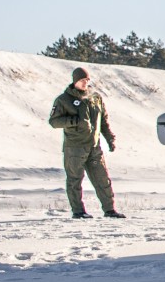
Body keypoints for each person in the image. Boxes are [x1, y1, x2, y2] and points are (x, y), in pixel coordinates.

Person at [47, 67, 123, 219]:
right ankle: (78, 211)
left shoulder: (95, 98)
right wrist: (74, 121)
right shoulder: (63, 100)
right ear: (75, 81)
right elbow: (54, 121)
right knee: (75, 180)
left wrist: (110, 138)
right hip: (75, 148)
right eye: (82, 80)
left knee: (102, 179)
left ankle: (109, 210)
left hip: (94, 147)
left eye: (87, 80)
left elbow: (104, 121)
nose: (85, 83)